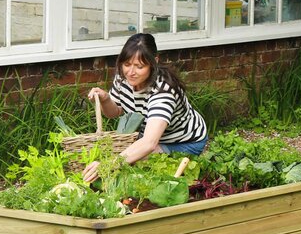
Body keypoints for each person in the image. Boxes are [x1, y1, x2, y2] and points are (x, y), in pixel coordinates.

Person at [82, 33, 208, 183]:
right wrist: (106, 99)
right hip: (153, 137)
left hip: (183, 142)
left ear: (154, 62)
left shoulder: (163, 92)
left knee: (134, 164)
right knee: (127, 158)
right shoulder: (124, 78)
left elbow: (149, 143)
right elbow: (114, 112)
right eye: (127, 64)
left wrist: (108, 165)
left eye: (139, 66)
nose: (131, 72)